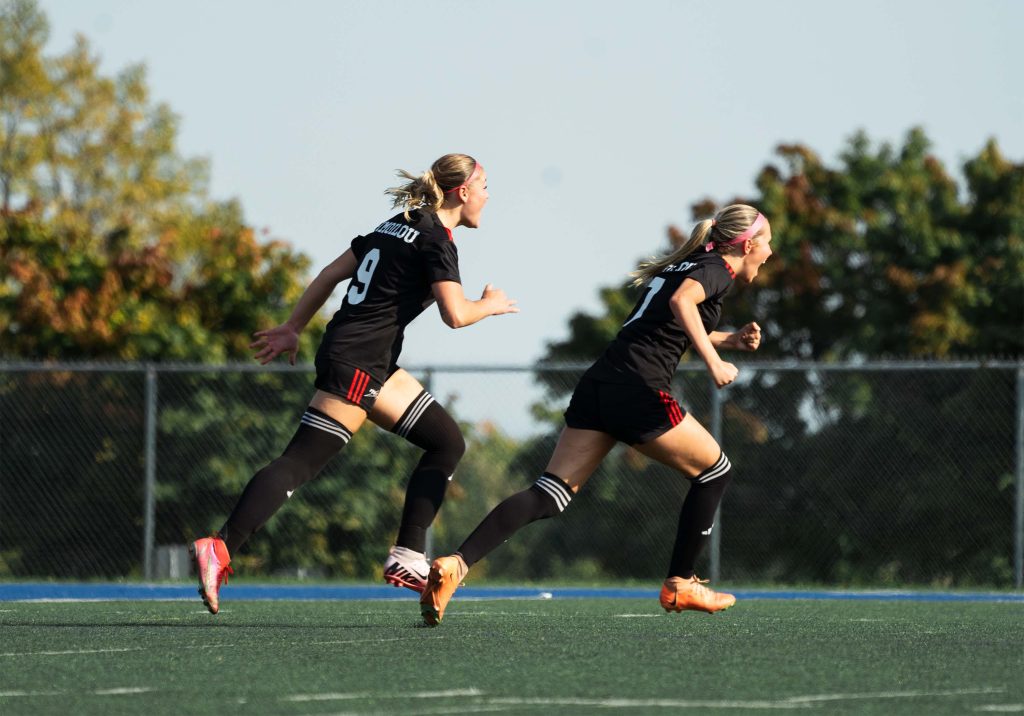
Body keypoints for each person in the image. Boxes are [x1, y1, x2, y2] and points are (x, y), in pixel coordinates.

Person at [191, 153, 518, 614]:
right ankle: (221, 547)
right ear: (462, 192)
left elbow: (329, 274)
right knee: (300, 462)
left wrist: (293, 326)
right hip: (360, 360)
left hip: (365, 359)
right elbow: (456, 315)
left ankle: (407, 555)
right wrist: (491, 304)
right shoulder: (436, 240)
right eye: (485, 184)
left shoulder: (396, 224)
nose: (489, 194)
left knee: (446, 442)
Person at [420, 204, 772, 625]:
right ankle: (680, 583)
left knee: (549, 493)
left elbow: (668, 317)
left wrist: (727, 338)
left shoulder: (689, 265)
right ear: (748, 244)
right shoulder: (716, 268)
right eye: (767, 244)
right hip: (637, 389)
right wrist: (714, 360)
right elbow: (682, 303)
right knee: (715, 471)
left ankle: (455, 565)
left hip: (601, 383)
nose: (769, 253)